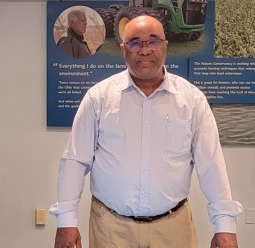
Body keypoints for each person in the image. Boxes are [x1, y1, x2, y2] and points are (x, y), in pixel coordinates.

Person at [50, 16, 242, 248]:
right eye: (134, 42)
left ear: (165, 46)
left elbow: (211, 163)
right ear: (123, 49)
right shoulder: (99, 98)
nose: (144, 50)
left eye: (153, 41)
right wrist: (66, 221)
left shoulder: (192, 100)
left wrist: (225, 225)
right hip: (110, 229)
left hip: (173, 228)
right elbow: (75, 160)